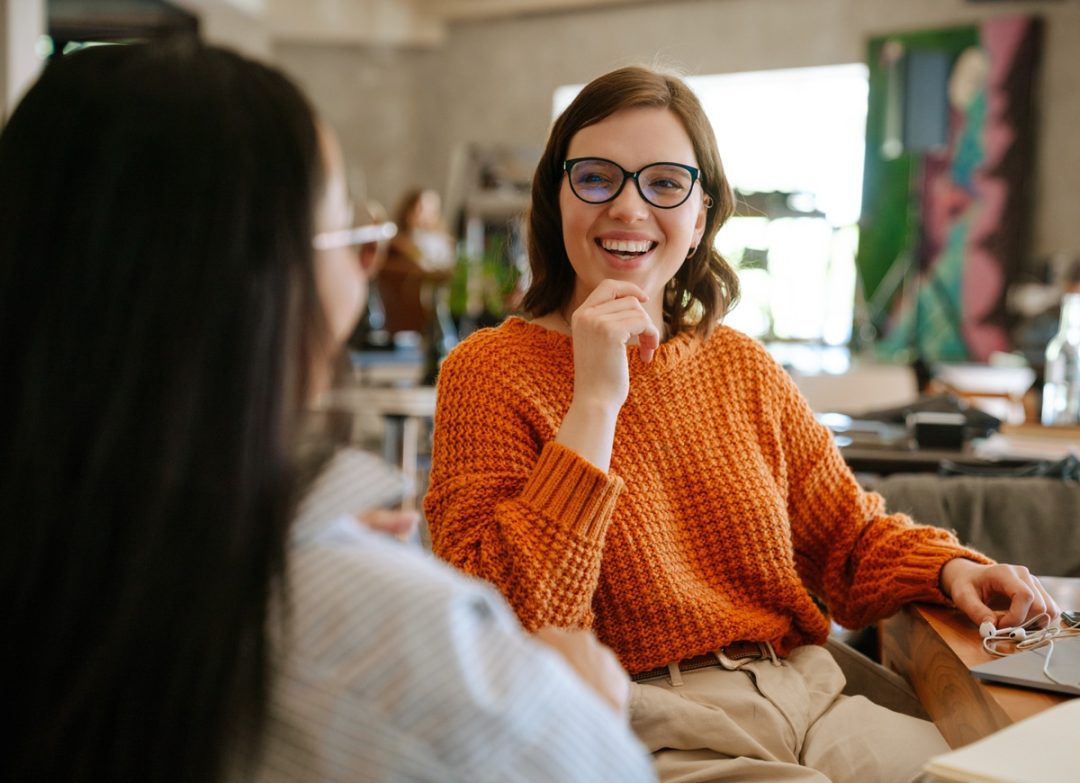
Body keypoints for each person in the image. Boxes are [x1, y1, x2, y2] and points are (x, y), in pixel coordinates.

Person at [0, 42, 655, 782]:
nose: (628, 207)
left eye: (665, 183)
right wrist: (587, 702)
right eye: (348, 230)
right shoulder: (396, 635)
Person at [424, 65, 1060, 782]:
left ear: (699, 217)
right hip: (647, 719)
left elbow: (847, 538)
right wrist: (595, 403)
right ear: (557, 198)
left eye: (664, 184)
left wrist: (951, 566)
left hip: (810, 692)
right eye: (597, 177)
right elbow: (506, 625)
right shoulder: (487, 371)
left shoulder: (739, 364)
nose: (629, 209)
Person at [377, 187, 457, 336]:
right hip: (407, 311)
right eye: (420, 208)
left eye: (429, 208)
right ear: (409, 210)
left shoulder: (445, 243)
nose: (423, 213)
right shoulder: (397, 244)